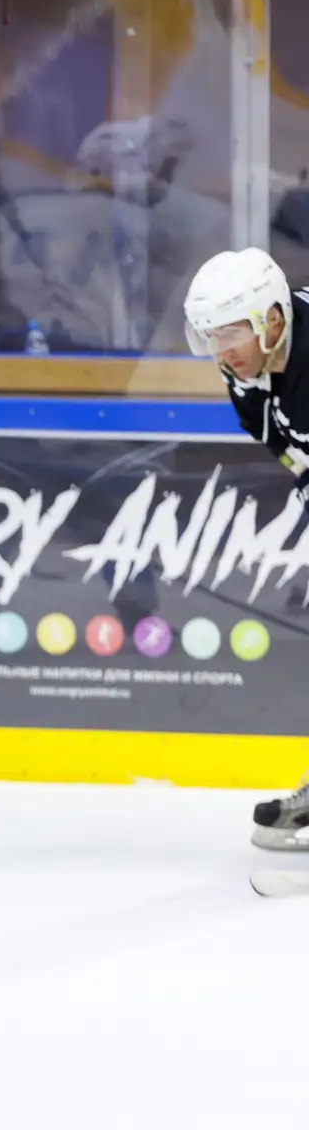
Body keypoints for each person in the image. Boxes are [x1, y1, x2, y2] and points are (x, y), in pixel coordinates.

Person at [181, 248, 309, 852]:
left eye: (231, 334)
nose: (221, 350)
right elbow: (288, 450)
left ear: (273, 320)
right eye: (211, 336)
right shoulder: (244, 371)